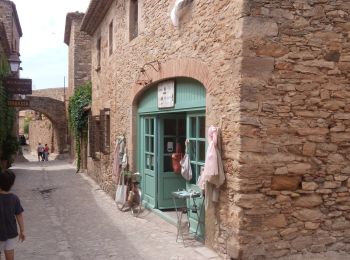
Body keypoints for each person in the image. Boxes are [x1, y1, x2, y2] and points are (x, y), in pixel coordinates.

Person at [0, 170, 25, 260]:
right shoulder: (14, 198)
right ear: (11, 184)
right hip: (10, 233)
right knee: (10, 256)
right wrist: (22, 230)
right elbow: (19, 215)